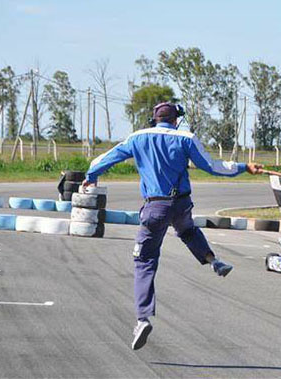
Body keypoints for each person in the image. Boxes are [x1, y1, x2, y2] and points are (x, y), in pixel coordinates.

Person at [82, 102, 263, 350]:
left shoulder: (138, 137)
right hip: (181, 204)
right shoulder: (186, 138)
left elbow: (104, 160)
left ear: (154, 118)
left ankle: (142, 318)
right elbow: (212, 166)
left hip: (155, 207)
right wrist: (244, 167)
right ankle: (213, 260)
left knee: (144, 260)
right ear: (176, 119)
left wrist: (90, 177)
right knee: (187, 230)